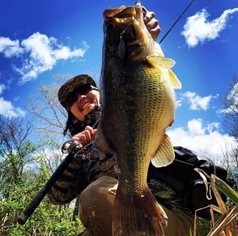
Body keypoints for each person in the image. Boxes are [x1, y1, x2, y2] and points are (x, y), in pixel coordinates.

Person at [48, 7, 194, 236]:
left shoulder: (124, 96)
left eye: (86, 89)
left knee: (94, 197)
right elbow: (56, 197)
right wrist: (74, 156)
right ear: (71, 113)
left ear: (100, 90)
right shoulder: (81, 148)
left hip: (165, 213)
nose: (81, 97)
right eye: (72, 100)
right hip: (111, 217)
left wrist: (144, 36)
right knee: (93, 206)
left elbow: (148, 85)